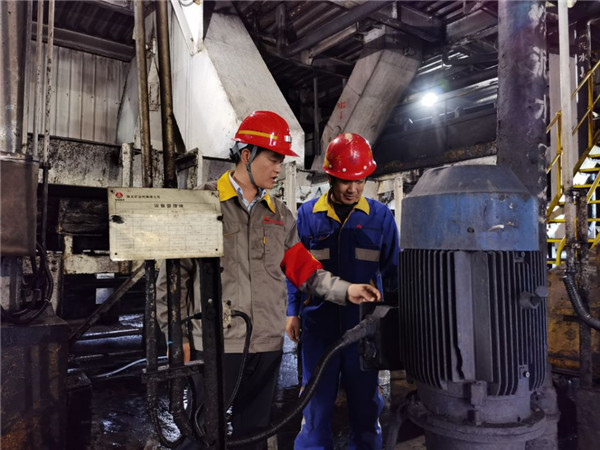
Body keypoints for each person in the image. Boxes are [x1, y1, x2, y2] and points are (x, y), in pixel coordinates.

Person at [156, 112, 381, 449]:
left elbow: (306, 272)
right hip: (215, 345)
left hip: (266, 345)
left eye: (281, 161)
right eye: (274, 159)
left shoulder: (280, 215)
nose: (279, 168)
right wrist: (176, 337)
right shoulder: (204, 204)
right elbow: (173, 279)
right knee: (201, 432)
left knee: (255, 433)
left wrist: (347, 290)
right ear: (247, 155)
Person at [286, 133, 399, 449]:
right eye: (345, 181)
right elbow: (295, 269)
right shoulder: (308, 216)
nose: (353, 189)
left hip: (363, 329)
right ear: (331, 177)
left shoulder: (380, 217)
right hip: (318, 327)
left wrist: (394, 323)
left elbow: (393, 273)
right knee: (315, 405)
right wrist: (292, 312)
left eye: (359, 180)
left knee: (366, 405)